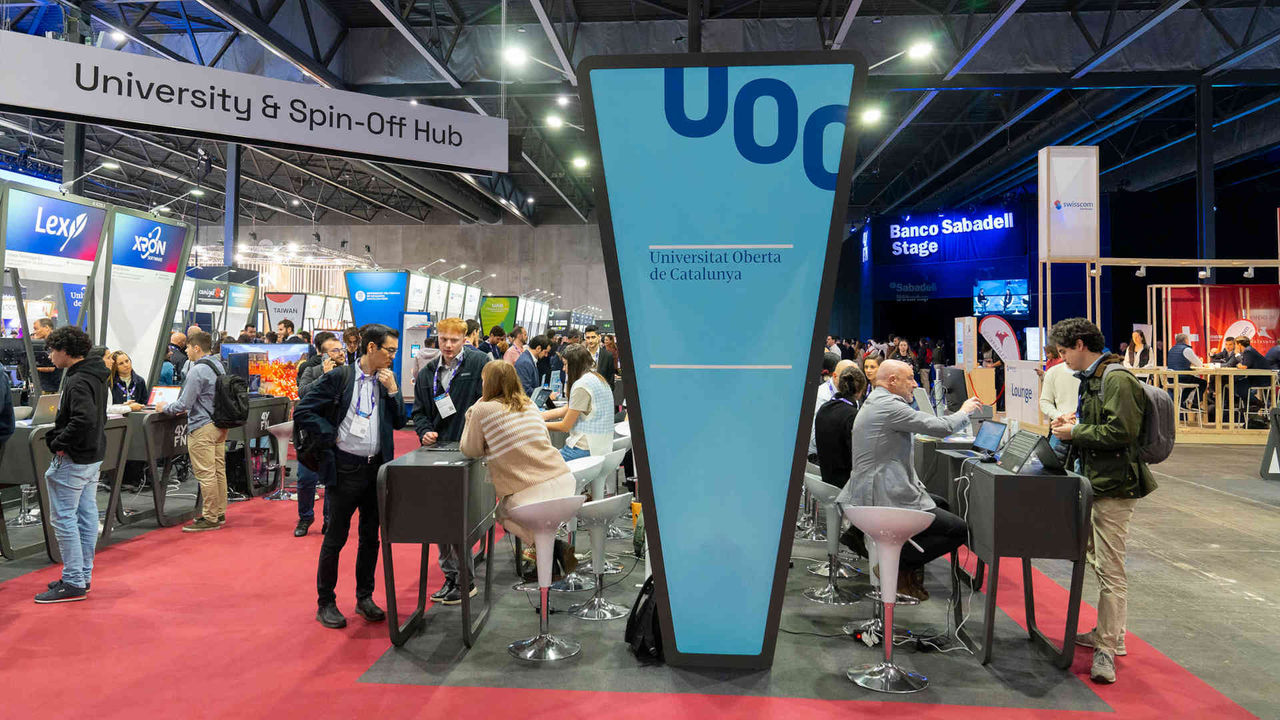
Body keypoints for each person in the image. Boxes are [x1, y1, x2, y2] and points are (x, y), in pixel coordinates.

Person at [1048, 317, 1154, 685]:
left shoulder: (1117, 379)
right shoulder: (1093, 378)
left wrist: (1075, 431)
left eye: (1064, 351)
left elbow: (1122, 431)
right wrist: (1074, 423)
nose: (1062, 358)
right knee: (1099, 563)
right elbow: (1103, 423)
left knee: (1110, 569)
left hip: (1115, 488)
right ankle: (1110, 633)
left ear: (1080, 344)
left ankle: (1108, 647)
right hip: (1096, 482)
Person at [836, 359, 981, 601]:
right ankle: (897, 564)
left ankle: (907, 573)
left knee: (941, 503)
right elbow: (941, 427)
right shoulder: (889, 406)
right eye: (910, 379)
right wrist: (965, 412)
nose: (915, 384)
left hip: (874, 490)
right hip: (881, 496)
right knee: (958, 530)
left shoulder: (877, 400)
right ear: (892, 381)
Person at [293, 323, 405, 630]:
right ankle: (325, 602)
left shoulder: (386, 380)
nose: (392, 357)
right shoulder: (339, 377)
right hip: (344, 470)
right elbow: (303, 411)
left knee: (370, 538)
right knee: (336, 538)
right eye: (389, 350)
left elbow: (399, 421)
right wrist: (330, 434)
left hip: (376, 469)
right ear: (371, 348)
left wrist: (394, 391)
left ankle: (364, 597)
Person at [459, 361, 579, 574]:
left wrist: (472, 413)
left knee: (502, 513)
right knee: (536, 524)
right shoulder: (529, 404)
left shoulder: (482, 409)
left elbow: (470, 449)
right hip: (565, 481)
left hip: (531, 490)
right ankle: (549, 551)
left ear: (488, 383)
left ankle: (550, 548)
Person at [412, 317, 489, 603]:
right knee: (439, 517)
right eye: (443, 339)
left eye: (454, 340)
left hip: (469, 451)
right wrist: (424, 431)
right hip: (437, 452)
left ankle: (465, 580)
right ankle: (451, 576)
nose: (447, 345)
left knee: (460, 518)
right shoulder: (428, 372)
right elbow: (419, 412)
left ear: (465, 339)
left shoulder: (479, 363)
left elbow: (491, 401)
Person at [33, 326, 109, 603]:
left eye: (52, 350)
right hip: (92, 455)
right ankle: (81, 576)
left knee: (65, 519)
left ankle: (75, 580)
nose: (50, 355)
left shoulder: (77, 380)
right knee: (86, 517)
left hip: (75, 458)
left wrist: (58, 442)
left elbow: (83, 419)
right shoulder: (96, 375)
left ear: (65, 351)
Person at [156, 331, 228, 533]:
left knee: (206, 474)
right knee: (218, 471)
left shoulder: (197, 371)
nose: (186, 351)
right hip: (219, 424)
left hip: (202, 426)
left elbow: (183, 404)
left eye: (187, 347)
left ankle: (210, 518)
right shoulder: (218, 365)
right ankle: (219, 512)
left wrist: (164, 408)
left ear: (196, 348)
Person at [294, 334, 345, 537]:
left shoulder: (348, 374)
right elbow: (303, 393)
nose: (340, 353)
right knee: (306, 479)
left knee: (332, 482)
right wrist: (324, 377)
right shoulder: (311, 371)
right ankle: (305, 517)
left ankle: (329, 520)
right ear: (323, 355)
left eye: (341, 349)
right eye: (335, 350)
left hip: (337, 435)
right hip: (312, 436)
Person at [543, 344, 615, 462]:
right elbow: (567, 409)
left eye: (565, 364)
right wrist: (540, 416)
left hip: (584, 450)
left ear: (574, 365)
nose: (564, 369)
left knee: (541, 465)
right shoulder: (597, 379)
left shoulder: (581, 385)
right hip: (601, 448)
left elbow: (565, 426)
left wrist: (538, 424)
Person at [814, 365, 867, 488]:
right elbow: (857, 456)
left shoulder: (824, 408)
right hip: (845, 485)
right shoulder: (852, 416)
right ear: (860, 392)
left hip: (826, 478)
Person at [1039, 346, 1081, 422]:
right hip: (1061, 423)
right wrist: (1060, 416)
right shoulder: (1052, 371)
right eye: (1061, 352)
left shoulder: (1093, 372)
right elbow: (1044, 401)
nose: (1064, 357)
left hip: (1085, 426)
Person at [1165, 332, 1206, 407]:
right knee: (1203, 383)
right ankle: (1195, 404)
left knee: (1191, 384)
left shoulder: (1171, 349)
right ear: (1186, 340)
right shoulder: (1186, 349)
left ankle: (1181, 403)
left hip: (1170, 378)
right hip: (1181, 377)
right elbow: (1199, 364)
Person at [1234, 335, 1269, 411]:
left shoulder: (1248, 351)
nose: (1235, 346)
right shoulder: (1249, 350)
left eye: (1235, 344)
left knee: (1238, 385)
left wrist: (1239, 364)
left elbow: (1244, 366)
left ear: (1239, 344)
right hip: (1258, 377)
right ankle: (1251, 405)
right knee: (1239, 384)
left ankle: (1256, 403)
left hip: (1261, 379)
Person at [32, 318, 62, 392]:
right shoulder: (43, 344)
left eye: (36, 329)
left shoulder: (56, 343)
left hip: (54, 386)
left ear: (46, 328)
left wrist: (34, 369)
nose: (34, 332)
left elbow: (54, 367)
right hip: (46, 385)